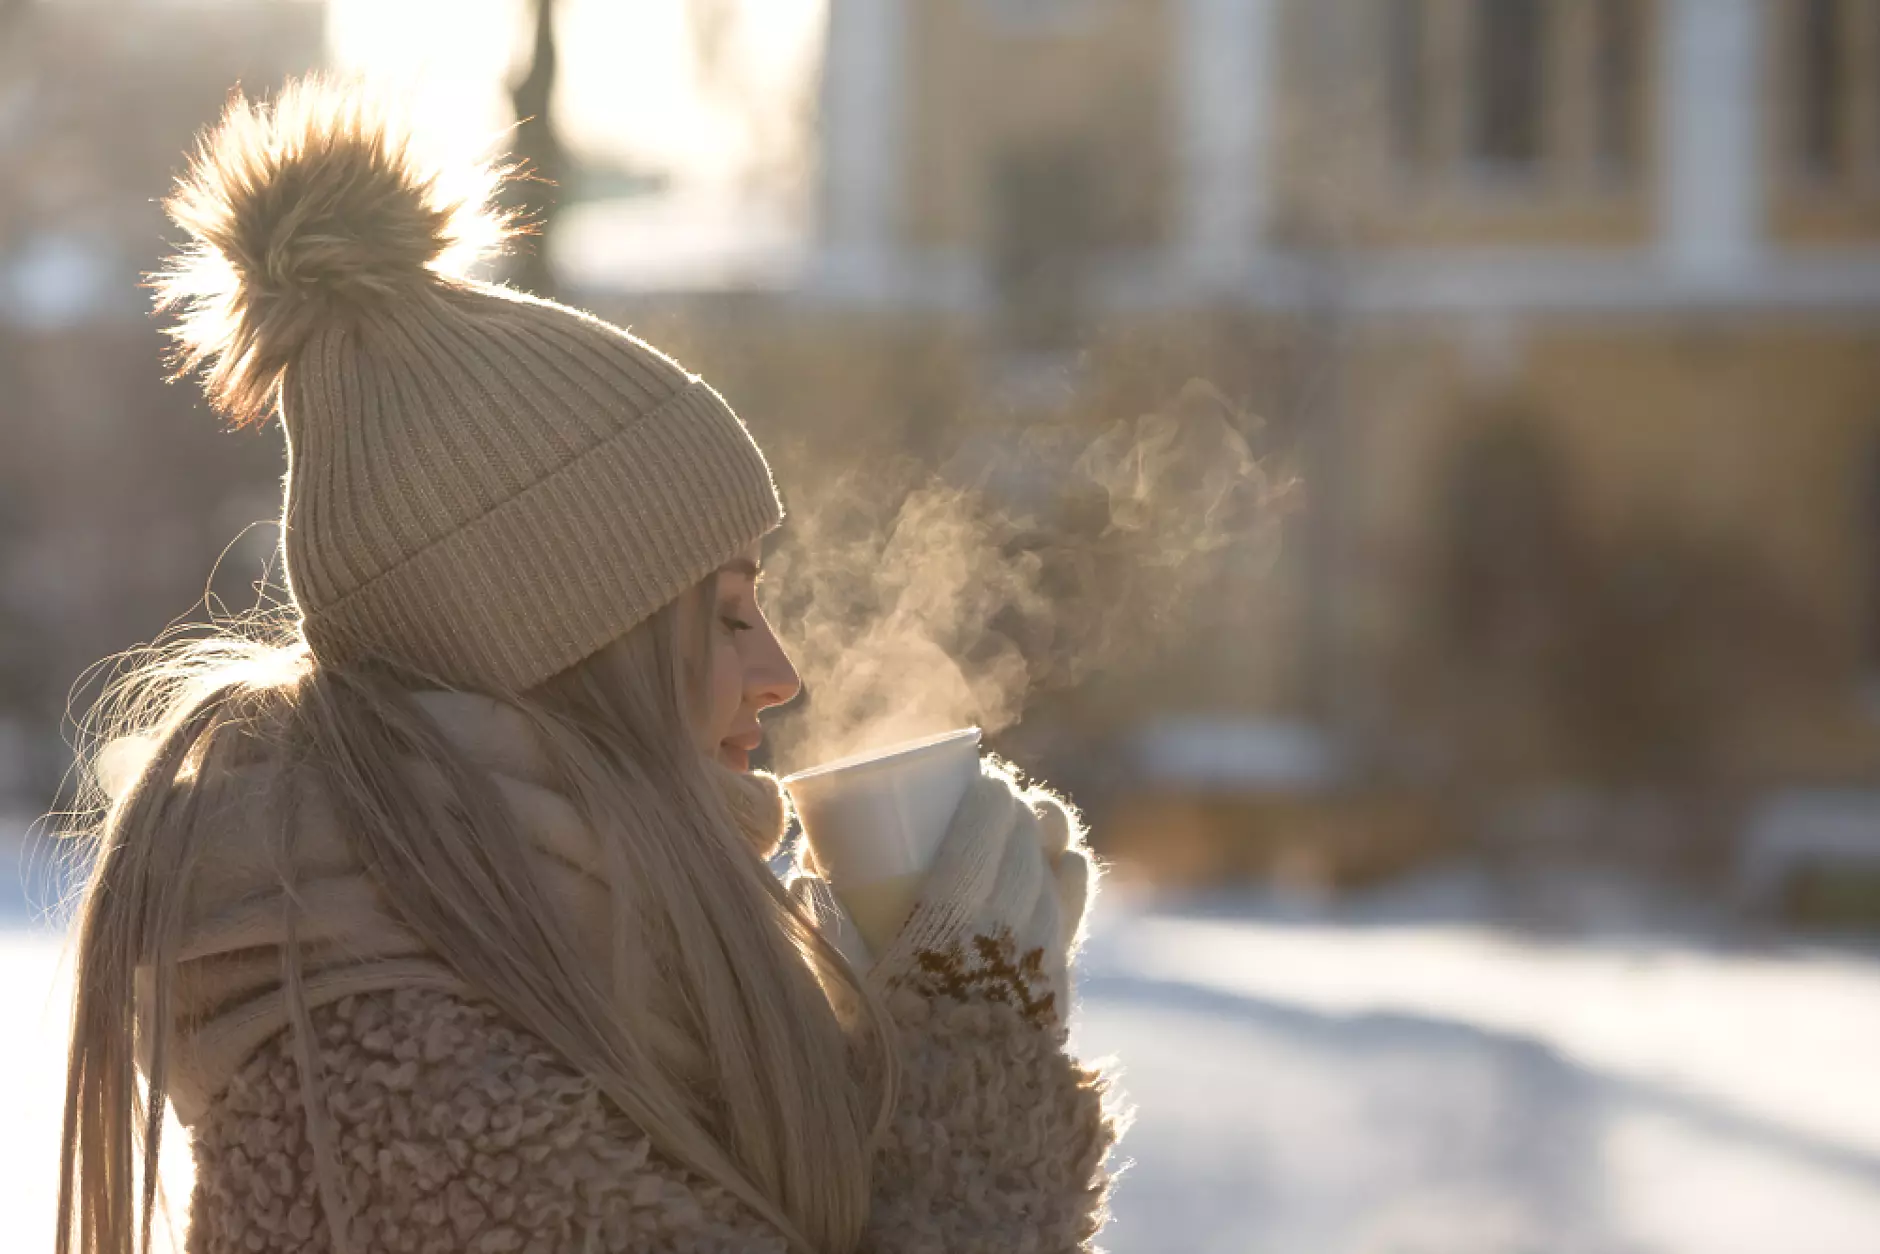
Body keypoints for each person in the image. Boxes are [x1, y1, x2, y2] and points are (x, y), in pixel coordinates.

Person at [55, 80, 1116, 1254]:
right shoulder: (410, 1121)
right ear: (561, 649)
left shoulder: (511, 1016)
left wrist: (866, 1052)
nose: (779, 674)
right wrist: (975, 1074)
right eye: (719, 616)